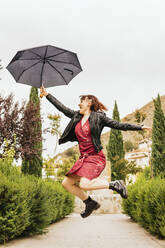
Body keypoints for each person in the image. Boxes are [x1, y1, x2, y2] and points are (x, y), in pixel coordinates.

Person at [40, 86, 151, 218]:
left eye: (82, 101)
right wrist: (47, 94)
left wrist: (139, 127)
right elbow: (61, 108)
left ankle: (114, 184)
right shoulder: (77, 117)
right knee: (66, 183)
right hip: (83, 159)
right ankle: (89, 203)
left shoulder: (98, 117)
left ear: (89, 102)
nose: (79, 103)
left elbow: (119, 125)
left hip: (96, 158)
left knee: (84, 184)